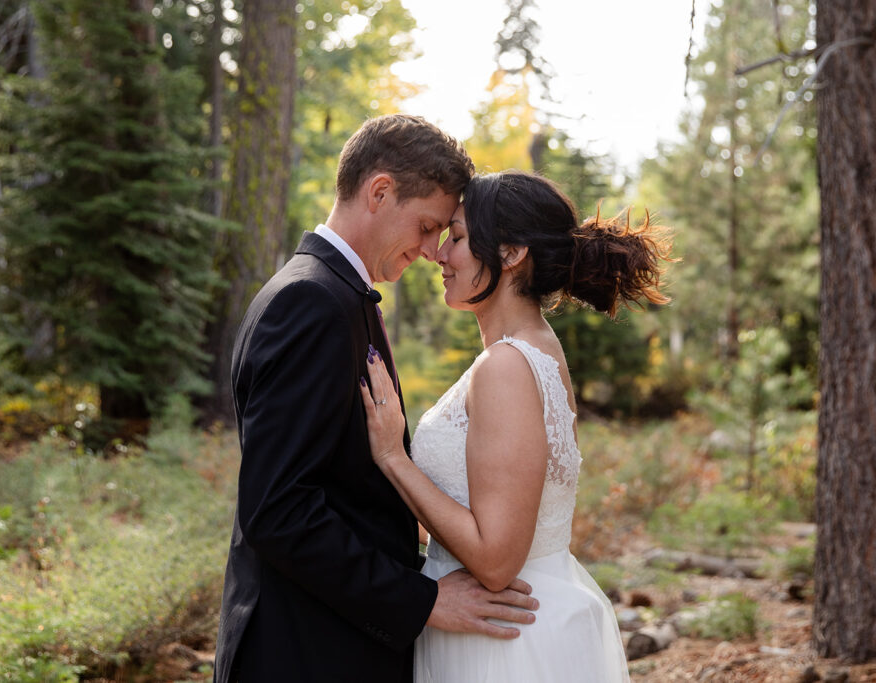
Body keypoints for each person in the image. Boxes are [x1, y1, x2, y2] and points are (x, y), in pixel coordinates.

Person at [214, 116, 539, 683]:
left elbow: (347, 495)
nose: (432, 249)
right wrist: (423, 601)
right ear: (380, 192)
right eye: (427, 225)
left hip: (336, 641)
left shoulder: (338, 295)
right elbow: (277, 510)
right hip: (302, 653)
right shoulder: (310, 303)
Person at [360, 170, 672, 682]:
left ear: (510, 253)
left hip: (505, 644)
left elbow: (496, 560)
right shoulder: (530, 351)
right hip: (506, 624)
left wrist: (393, 458)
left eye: (457, 238)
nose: (439, 254)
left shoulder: (507, 366)